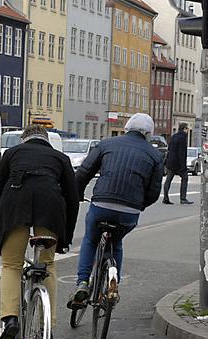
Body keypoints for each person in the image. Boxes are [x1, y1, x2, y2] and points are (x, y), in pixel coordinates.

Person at [0, 125, 79, 339]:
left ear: (24, 139)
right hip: (50, 209)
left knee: (11, 265)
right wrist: (65, 237)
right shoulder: (60, 158)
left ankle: (10, 320)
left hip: (16, 208)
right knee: (48, 265)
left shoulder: (12, 154)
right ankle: (47, 326)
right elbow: (72, 200)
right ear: (47, 140)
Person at [67, 113, 163, 308]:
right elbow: (154, 191)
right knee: (116, 242)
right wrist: (138, 205)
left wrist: (77, 195)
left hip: (101, 205)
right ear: (148, 134)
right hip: (129, 211)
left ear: (127, 128)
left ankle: (83, 283)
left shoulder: (106, 144)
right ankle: (113, 284)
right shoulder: (155, 155)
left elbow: (83, 173)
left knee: (91, 240)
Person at [163, 122, 193, 205]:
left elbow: (169, 149)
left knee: (168, 180)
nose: (187, 131)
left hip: (170, 162)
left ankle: (165, 197)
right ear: (184, 129)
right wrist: (183, 166)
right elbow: (182, 153)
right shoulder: (183, 138)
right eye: (187, 129)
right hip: (178, 163)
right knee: (185, 178)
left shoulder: (173, 137)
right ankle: (183, 198)